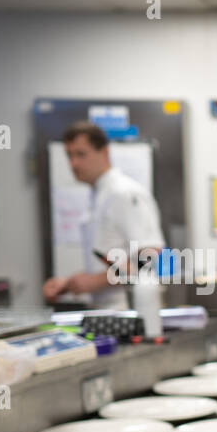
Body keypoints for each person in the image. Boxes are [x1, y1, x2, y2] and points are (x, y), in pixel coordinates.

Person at [42, 122, 165, 310]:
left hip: (130, 310)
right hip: (106, 311)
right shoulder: (98, 196)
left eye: (81, 154)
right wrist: (70, 283)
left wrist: (95, 282)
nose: (73, 164)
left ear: (105, 153)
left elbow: (150, 259)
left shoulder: (124, 193)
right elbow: (110, 260)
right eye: (69, 156)